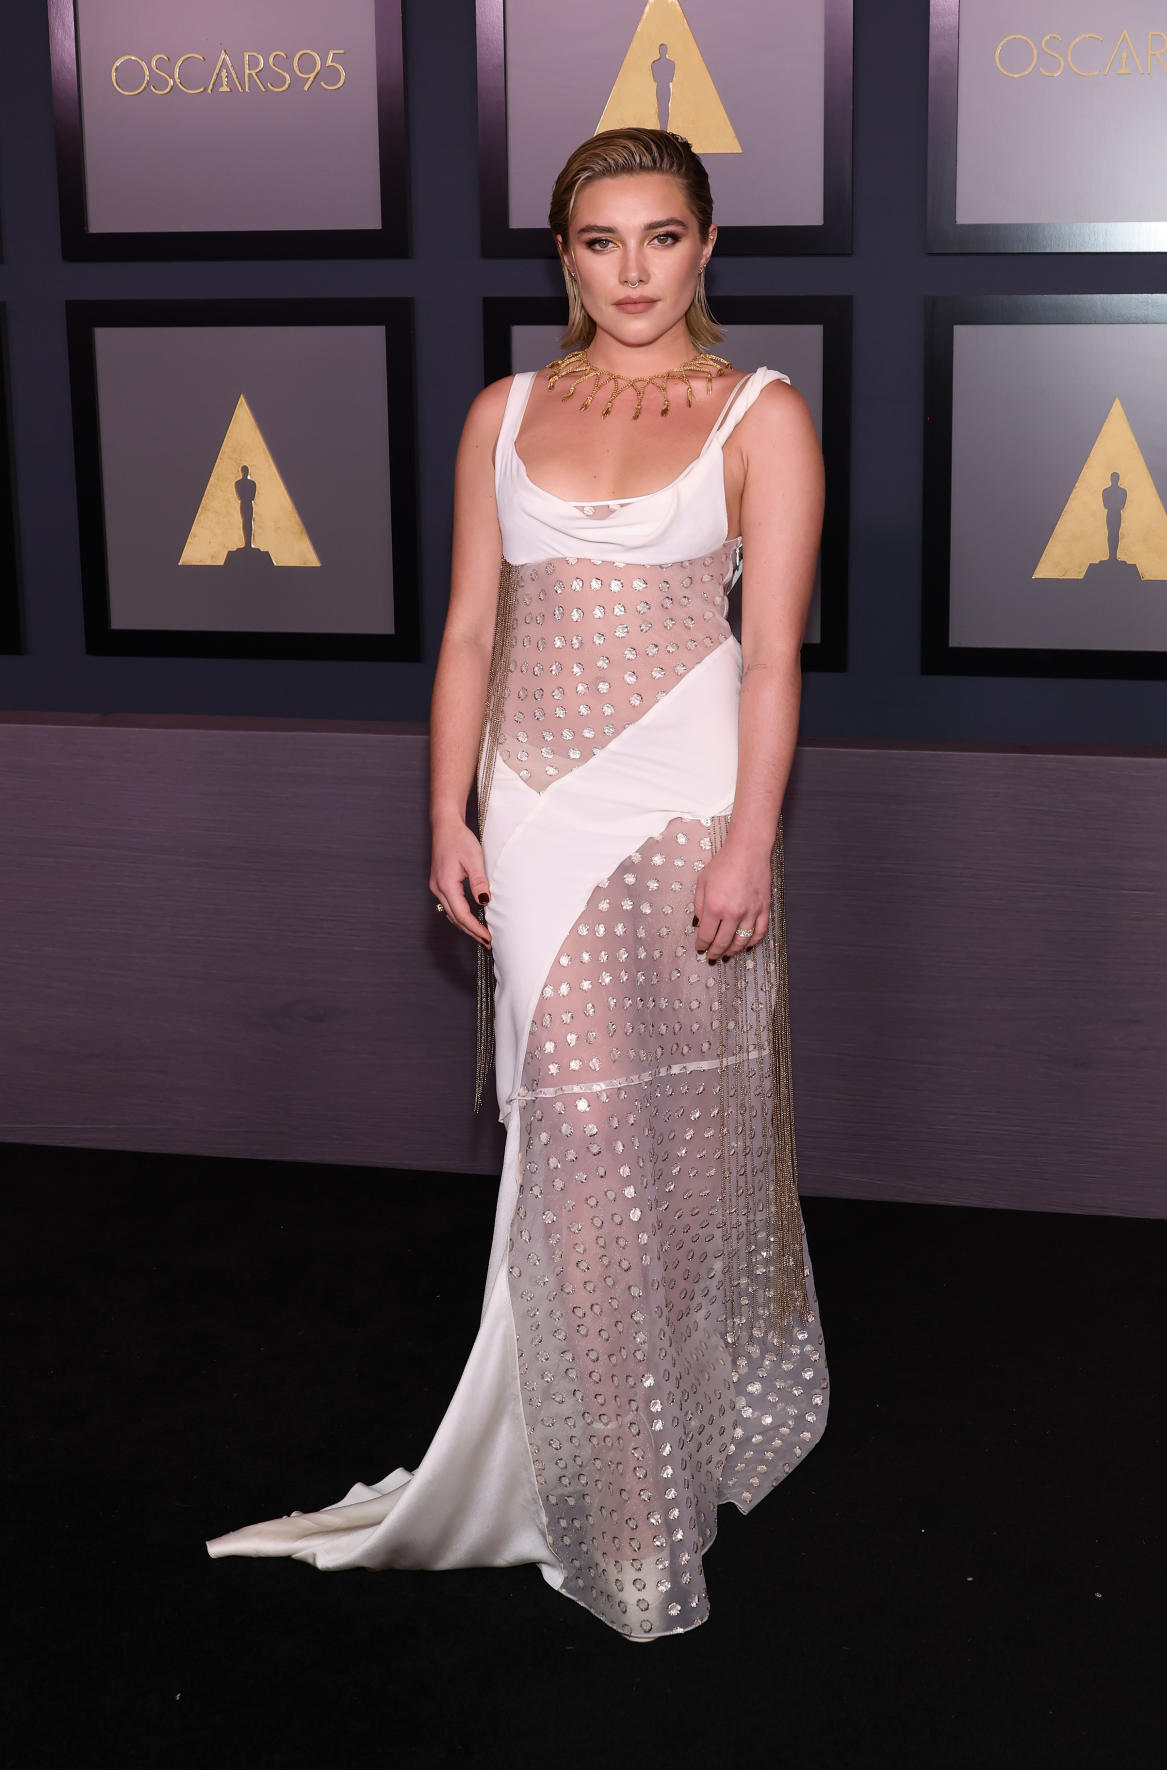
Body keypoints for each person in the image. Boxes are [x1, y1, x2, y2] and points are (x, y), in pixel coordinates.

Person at [206, 127, 830, 1641]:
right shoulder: (503, 411)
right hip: (541, 807)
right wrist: (447, 809)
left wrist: (751, 834)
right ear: (562, 255)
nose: (631, 269)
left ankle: (669, 1437)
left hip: (687, 806)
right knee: (584, 1125)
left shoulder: (762, 414)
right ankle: (611, 1499)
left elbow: (769, 659)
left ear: (704, 247)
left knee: (679, 1133)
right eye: (599, 239)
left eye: (660, 236)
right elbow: (472, 635)